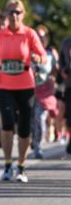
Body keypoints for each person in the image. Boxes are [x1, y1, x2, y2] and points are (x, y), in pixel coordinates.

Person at [0, 0, 45, 182]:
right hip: (4, 85)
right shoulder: (0, 35)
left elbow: (43, 56)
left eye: (17, 12)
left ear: (23, 14)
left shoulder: (29, 34)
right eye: (11, 12)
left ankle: (21, 166)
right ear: (6, 14)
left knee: (24, 127)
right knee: (6, 121)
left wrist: (38, 58)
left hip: (26, 86)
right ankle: (7, 164)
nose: (14, 15)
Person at [31, 25, 57, 159]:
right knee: (30, 119)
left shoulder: (51, 52)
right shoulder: (28, 51)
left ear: (46, 38)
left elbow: (56, 68)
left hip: (44, 91)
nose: (40, 39)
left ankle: (37, 145)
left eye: (42, 37)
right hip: (28, 90)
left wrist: (53, 76)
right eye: (38, 37)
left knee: (39, 118)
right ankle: (32, 139)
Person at [58, 31, 71, 157]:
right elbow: (61, 61)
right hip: (69, 85)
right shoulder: (66, 43)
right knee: (69, 116)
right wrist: (63, 70)